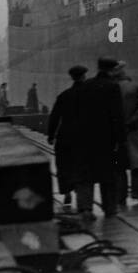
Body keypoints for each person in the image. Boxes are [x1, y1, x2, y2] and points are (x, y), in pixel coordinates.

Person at [72, 57, 127, 223]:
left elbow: (78, 112)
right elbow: (117, 115)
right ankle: (109, 208)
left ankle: (86, 208)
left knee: (87, 176)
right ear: (111, 70)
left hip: (87, 139)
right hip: (107, 140)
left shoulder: (86, 85)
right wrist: (121, 139)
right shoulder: (113, 87)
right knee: (108, 176)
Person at [47, 66, 87, 209]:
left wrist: (51, 135)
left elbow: (55, 117)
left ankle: (67, 192)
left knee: (64, 166)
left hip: (66, 136)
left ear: (72, 77)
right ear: (84, 76)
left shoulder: (64, 96)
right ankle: (82, 195)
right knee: (83, 166)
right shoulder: (90, 95)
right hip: (85, 136)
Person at [114, 62, 138, 205]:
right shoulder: (135, 87)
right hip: (134, 131)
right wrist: (131, 123)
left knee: (119, 167)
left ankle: (120, 196)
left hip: (117, 133)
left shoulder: (110, 88)